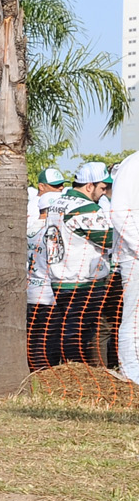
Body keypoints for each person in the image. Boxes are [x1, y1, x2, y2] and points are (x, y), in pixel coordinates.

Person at [42, 162, 116, 366]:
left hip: (60, 278)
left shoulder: (58, 203)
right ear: (89, 185)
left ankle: (72, 371)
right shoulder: (86, 208)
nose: (104, 193)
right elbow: (110, 240)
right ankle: (76, 373)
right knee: (80, 333)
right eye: (102, 187)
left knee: (70, 328)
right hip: (82, 281)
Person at [111, 149, 139, 383]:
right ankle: (132, 373)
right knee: (134, 317)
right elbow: (119, 212)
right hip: (135, 257)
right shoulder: (132, 165)